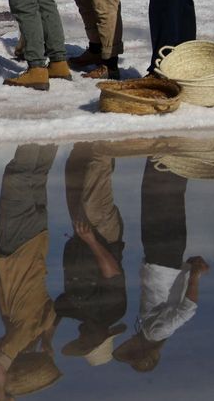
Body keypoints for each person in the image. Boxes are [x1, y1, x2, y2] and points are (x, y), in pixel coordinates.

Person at [0, 144, 61, 399]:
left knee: (38, 174)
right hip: (17, 244)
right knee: (18, 175)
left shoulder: (39, 325)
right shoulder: (19, 334)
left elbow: (53, 318)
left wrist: (48, 344)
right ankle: (36, 120)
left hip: (39, 237)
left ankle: (50, 124)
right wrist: (1, 394)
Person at [112, 157, 210, 373]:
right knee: (157, 198)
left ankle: (176, 155)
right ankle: (167, 154)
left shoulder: (150, 330)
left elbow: (174, 300)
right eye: (131, 350)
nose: (128, 343)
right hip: (162, 257)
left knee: (169, 200)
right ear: (140, 349)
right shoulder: (157, 333)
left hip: (167, 259)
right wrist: (194, 274)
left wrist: (189, 272)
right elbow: (187, 310)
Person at [56, 142, 128, 368]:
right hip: (101, 236)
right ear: (103, 337)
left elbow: (53, 311)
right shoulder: (113, 311)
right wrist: (92, 241)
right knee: (96, 177)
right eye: (87, 342)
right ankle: (105, 135)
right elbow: (113, 273)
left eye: (81, 342)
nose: (81, 337)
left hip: (82, 236)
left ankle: (85, 136)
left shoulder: (77, 312)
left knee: (74, 174)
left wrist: (46, 339)